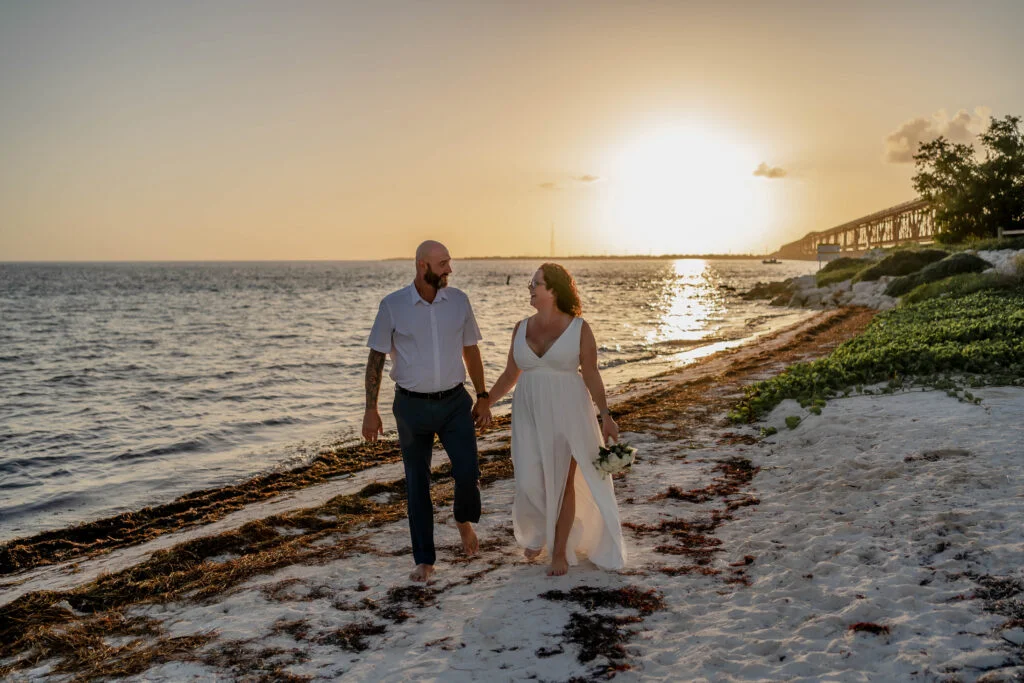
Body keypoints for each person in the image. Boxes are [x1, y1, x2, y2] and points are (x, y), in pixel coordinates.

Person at [363, 240, 493, 583]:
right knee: (417, 484)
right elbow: (375, 358)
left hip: (454, 403)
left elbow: (471, 350)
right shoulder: (393, 306)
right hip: (410, 407)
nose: (449, 269)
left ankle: (463, 520)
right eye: (443, 263)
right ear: (423, 266)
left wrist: (482, 396)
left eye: (449, 262)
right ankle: (424, 560)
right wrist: (370, 409)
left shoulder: (459, 302)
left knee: (468, 474)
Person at [486, 263, 626, 576]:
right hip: (529, 412)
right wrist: (486, 402)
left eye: (537, 283)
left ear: (554, 290)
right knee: (528, 477)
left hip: (569, 410)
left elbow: (591, 373)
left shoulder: (579, 328)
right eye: (530, 284)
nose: (530, 289)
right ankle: (538, 533)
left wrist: (606, 415)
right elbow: (511, 373)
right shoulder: (521, 327)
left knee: (563, 480)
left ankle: (559, 551)